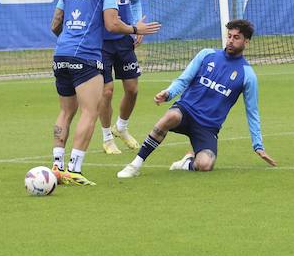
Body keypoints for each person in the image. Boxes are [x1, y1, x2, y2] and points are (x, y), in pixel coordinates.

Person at [50, 0, 161, 185]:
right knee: (89, 111)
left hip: (61, 55)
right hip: (86, 56)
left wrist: (71, 33)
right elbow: (111, 24)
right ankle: (74, 169)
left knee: (66, 111)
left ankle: (57, 166)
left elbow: (55, 24)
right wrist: (135, 29)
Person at [116, 19, 276, 178]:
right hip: (186, 111)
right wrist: (169, 93)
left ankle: (187, 163)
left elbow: (252, 112)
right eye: (230, 36)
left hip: (208, 126)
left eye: (237, 37)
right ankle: (135, 164)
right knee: (171, 115)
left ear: (246, 41)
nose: (231, 41)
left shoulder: (248, 75)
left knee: (205, 164)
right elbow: (183, 80)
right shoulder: (207, 55)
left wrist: (258, 146)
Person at [95, 0, 146, 155]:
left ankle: (121, 128)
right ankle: (107, 138)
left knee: (132, 90)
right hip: (101, 44)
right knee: (106, 92)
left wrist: (136, 25)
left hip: (124, 42)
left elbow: (134, 0)